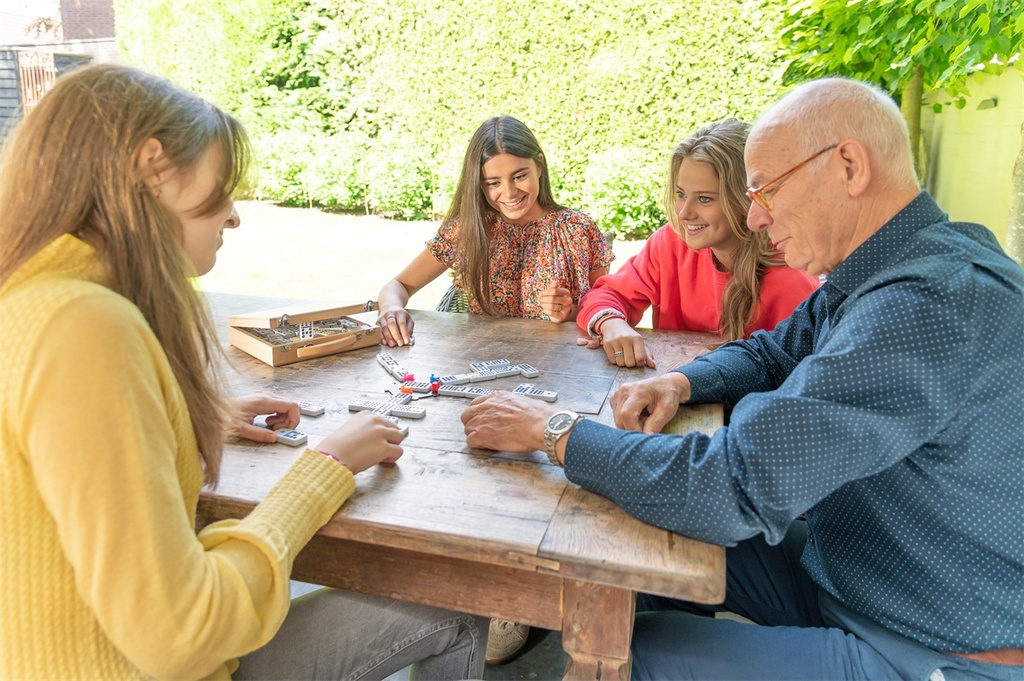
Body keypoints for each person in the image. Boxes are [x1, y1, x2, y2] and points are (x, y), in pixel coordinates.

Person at [461, 77, 1023, 680]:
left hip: (934, 643)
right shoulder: (890, 266)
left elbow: (729, 485)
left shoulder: (927, 305)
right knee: (638, 556)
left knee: (626, 656)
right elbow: (771, 353)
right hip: (859, 569)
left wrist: (555, 431)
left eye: (767, 190)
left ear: (850, 166)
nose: (755, 215)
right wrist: (680, 383)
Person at [0, 64, 487, 680]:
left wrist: (179, 421)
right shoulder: (84, 326)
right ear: (153, 169)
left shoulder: (30, 296)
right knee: (461, 604)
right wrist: (327, 467)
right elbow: (183, 633)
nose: (232, 216)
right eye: (221, 187)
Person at [577, 118, 818, 368]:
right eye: (681, 194)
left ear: (745, 201)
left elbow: (804, 374)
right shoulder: (671, 242)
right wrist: (612, 324)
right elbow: (607, 294)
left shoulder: (791, 277)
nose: (684, 213)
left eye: (704, 199)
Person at [376, 115, 614, 347]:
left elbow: (608, 308)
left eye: (519, 176)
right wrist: (391, 308)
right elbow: (399, 285)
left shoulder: (578, 229)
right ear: (478, 183)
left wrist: (569, 312)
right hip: (483, 360)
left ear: (539, 166)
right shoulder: (468, 229)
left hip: (561, 364)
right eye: (493, 183)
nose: (509, 193)